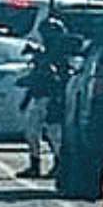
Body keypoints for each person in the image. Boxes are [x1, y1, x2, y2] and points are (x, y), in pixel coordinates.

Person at [16, 18, 80, 178]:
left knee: (54, 133)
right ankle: (35, 164)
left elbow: (57, 79)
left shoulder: (61, 57)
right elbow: (37, 78)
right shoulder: (45, 54)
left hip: (52, 99)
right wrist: (26, 97)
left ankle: (60, 164)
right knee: (31, 132)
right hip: (39, 97)